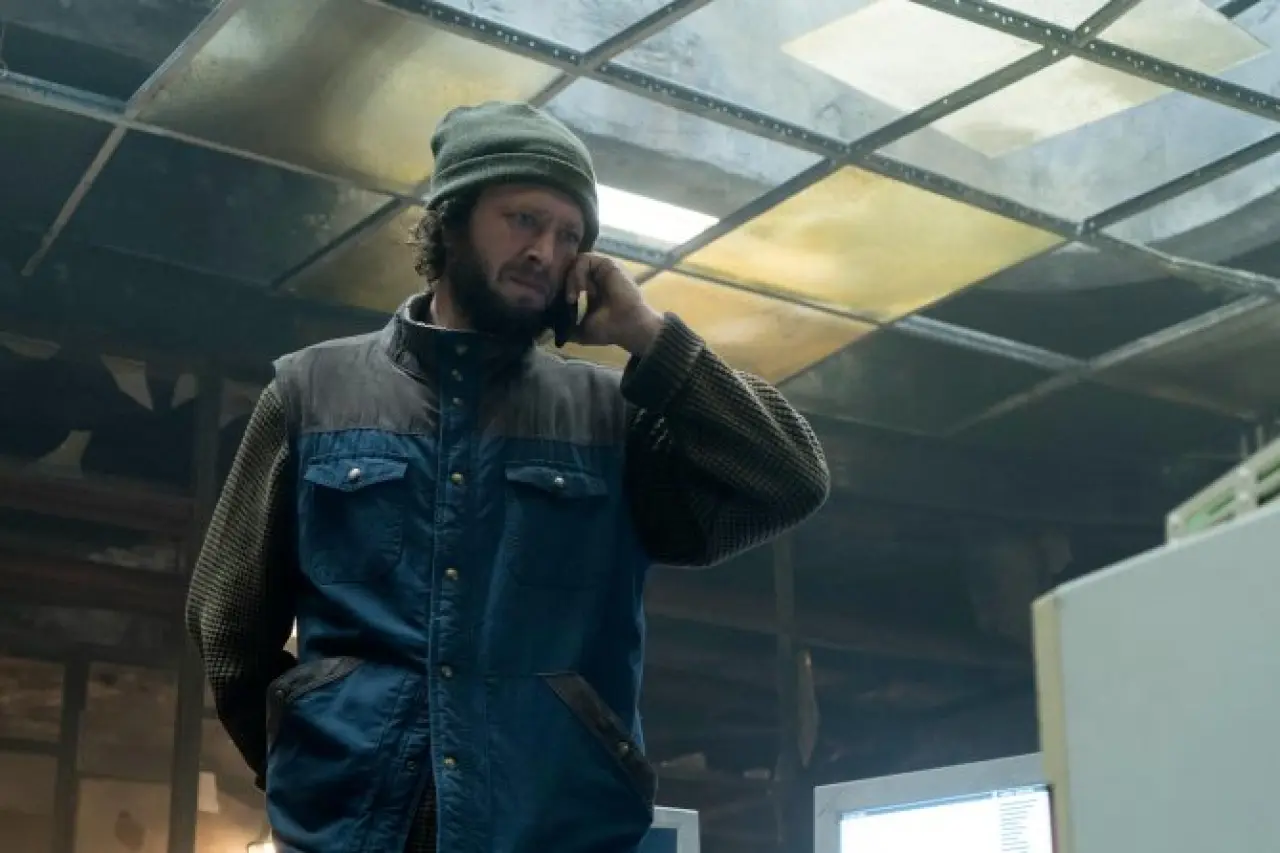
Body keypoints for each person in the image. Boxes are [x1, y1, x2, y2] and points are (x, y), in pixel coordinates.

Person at [186, 101, 829, 853]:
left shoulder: (612, 420)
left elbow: (790, 477)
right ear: (452, 219)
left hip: (560, 833)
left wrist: (651, 339)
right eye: (523, 219)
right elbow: (226, 624)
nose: (544, 251)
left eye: (569, 236)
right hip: (352, 834)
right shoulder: (311, 393)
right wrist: (310, 769)